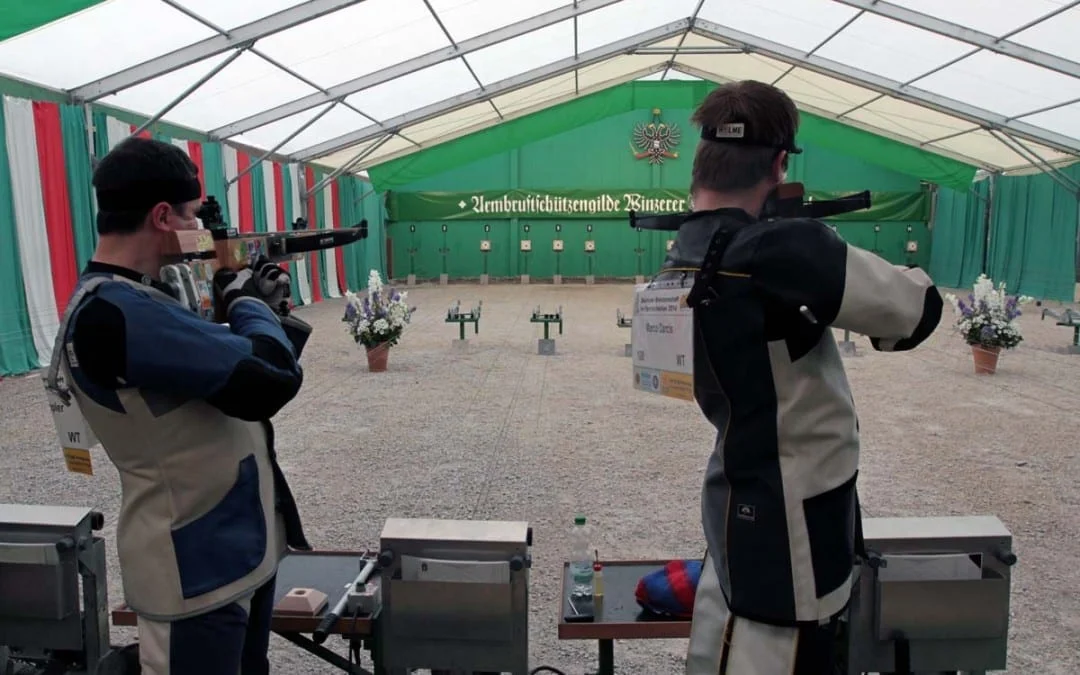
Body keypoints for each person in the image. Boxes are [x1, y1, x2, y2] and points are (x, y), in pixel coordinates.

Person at [653, 81, 944, 674]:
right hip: (796, 528)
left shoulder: (686, 245)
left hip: (735, 493)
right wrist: (811, 241)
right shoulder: (786, 250)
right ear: (781, 162)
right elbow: (916, 313)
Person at [46, 137, 312, 675]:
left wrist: (245, 304)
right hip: (192, 572)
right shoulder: (118, 312)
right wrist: (247, 301)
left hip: (232, 554)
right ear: (163, 215)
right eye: (193, 216)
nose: (203, 232)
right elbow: (270, 380)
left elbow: (229, 373)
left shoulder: (142, 297)